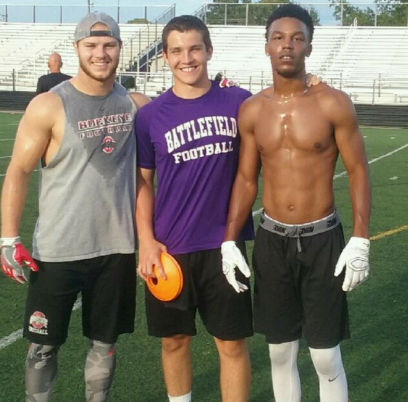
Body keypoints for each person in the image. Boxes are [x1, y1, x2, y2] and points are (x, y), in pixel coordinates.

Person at [222, 4, 372, 402]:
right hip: (272, 242)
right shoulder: (252, 109)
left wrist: (361, 239)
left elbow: (358, 171)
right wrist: (228, 239)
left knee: (325, 357)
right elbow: (245, 178)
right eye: (278, 38)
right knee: (279, 352)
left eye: (297, 38)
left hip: (323, 241)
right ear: (267, 46)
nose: (287, 45)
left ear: (309, 46)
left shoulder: (333, 103)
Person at [0, 11, 150, 402]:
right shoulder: (49, 105)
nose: (101, 53)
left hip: (116, 250)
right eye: (92, 46)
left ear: (119, 49)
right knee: (43, 347)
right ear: (77, 49)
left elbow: (189, 110)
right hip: (58, 250)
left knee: (105, 346)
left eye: (109, 45)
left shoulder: (137, 105)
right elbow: (18, 170)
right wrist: (7, 238)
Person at [134, 15, 257, 402]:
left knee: (232, 344)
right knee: (173, 342)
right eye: (176, 51)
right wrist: (147, 241)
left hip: (225, 246)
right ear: (166, 57)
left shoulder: (239, 102)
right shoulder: (150, 116)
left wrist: (311, 83)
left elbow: (283, 106)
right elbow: (142, 183)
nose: (186, 58)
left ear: (208, 51)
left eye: (194, 49)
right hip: (169, 250)